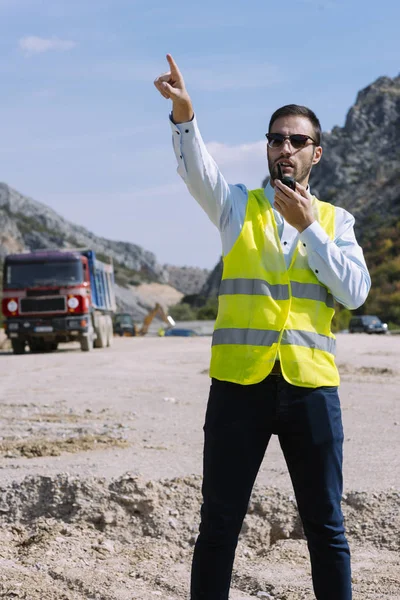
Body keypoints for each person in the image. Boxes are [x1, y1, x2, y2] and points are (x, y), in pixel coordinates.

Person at [154, 54, 371, 600]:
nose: (286, 149)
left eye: (298, 141)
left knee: (326, 526)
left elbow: (354, 292)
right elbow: (197, 170)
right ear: (268, 148)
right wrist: (185, 116)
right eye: (277, 139)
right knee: (219, 525)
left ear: (315, 154)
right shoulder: (236, 208)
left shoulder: (338, 221)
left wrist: (311, 231)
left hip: (311, 390)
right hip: (237, 389)